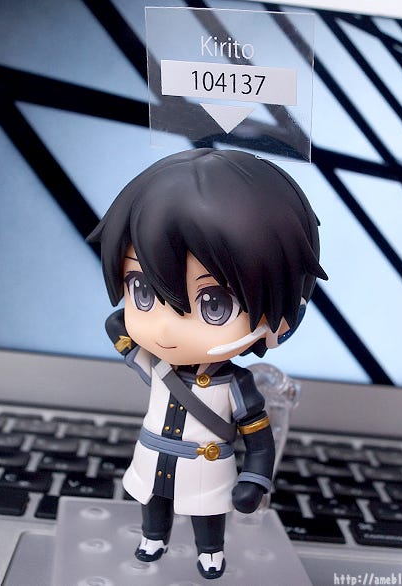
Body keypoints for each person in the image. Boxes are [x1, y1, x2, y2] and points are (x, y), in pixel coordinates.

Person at [87, 148, 327, 579]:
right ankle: (153, 538)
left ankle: (210, 551)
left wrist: (255, 480)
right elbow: (120, 335)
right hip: (154, 456)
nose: (167, 328)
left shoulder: (235, 386)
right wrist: (128, 320)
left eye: (214, 303)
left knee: (206, 510)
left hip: (206, 465)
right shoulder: (159, 368)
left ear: (285, 315)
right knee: (152, 498)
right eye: (142, 290)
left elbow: (258, 439)